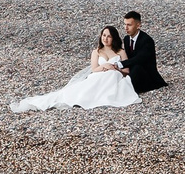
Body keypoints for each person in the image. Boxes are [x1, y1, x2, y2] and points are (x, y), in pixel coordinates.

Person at [10, 25, 143, 112]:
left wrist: (114, 68)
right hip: (98, 76)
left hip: (114, 77)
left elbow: (126, 72)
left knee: (112, 75)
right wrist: (104, 66)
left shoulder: (120, 52)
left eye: (109, 36)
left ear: (113, 38)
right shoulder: (96, 52)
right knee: (75, 92)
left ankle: (102, 96)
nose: (106, 38)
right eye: (104, 35)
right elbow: (94, 69)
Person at [121, 10, 166, 94]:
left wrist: (121, 64)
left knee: (137, 67)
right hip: (133, 73)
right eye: (125, 24)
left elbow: (139, 59)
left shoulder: (147, 40)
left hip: (147, 77)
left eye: (129, 25)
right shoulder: (126, 39)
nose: (126, 28)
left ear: (138, 25)